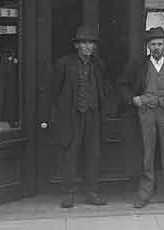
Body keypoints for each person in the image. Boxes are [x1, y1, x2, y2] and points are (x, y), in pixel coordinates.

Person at [119, 26, 164, 209]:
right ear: (148, 46)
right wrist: (133, 99)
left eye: (160, 44)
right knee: (147, 153)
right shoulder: (138, 66)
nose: (156, 47)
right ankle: (144, 194)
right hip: (146, 114)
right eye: (153, 44)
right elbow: (123, 86)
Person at [50, 25, 108, 209]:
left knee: (93, 154)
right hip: (72, 115)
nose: (87, 47)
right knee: (70, 154)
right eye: (83, 43)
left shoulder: (98, 65)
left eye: (90, 43)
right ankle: (69, 193)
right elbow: (54, 92)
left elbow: (104, 89)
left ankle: (92, 192)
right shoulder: (64, 64)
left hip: (92, 114)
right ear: (76, 46)